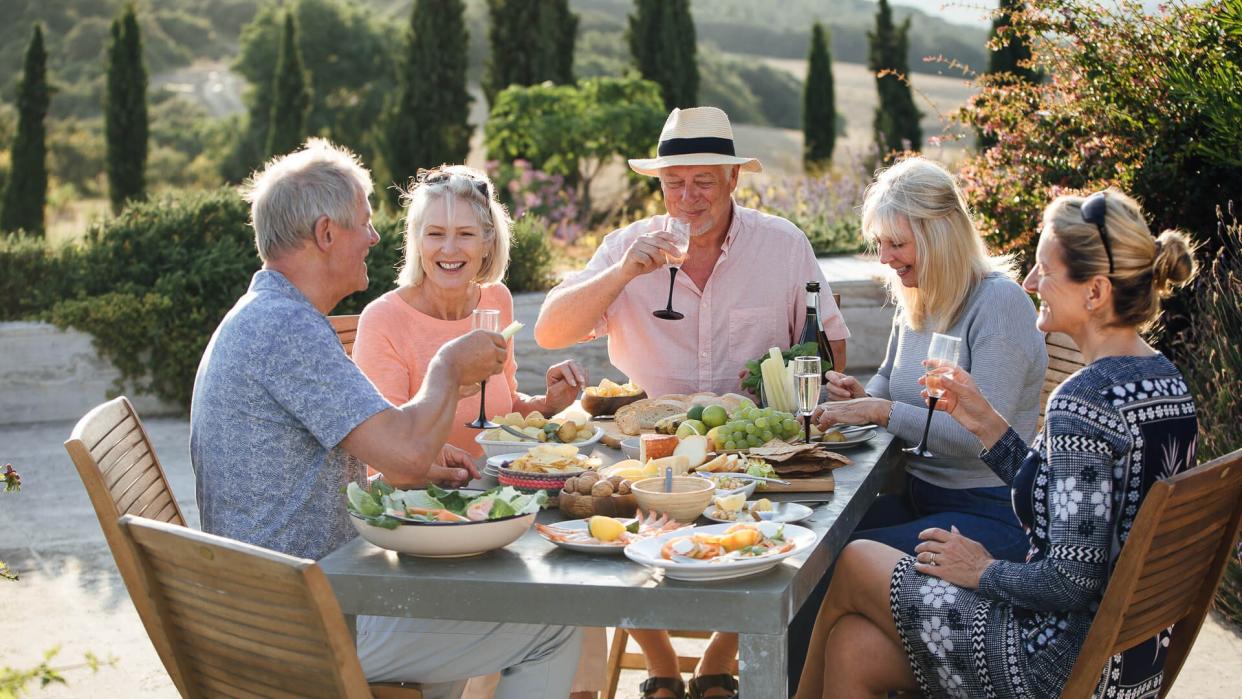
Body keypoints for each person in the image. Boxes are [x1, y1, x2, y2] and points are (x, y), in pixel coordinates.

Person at [190, 139, 582, 699]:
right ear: (327, 234)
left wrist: (423, 453)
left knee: (465, 619)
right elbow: (400, 457)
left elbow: (392, 447)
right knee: (555, 626)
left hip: (293, 599)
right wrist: (447, 366)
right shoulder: (286, 331)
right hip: (299, 623)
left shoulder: (271, 316)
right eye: (365, 223)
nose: (376, 238)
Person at [794, 188, 1199, 698]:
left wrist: (982, 570)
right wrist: (988, 426)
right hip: (1126, 662)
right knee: (853, 646)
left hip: (1051, 662)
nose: (1031, 283)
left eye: (1044, 271)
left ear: (1094, 293)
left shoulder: (1084, 401)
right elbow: (1072, 502)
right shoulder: (1166, 382)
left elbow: (1069, 581)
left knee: (854, 560)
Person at [536, 106, 849, 699]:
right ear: (658, 186)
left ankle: (720, 653)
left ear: (734, 180)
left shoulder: (782, 245)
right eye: (673, 182)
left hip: (750, 447)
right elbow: (550, 331)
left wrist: (791, 389)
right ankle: (659, 660)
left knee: (793, 528)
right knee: (599, 522)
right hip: (642, 444)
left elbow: (831, 345)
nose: (687, 197)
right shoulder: (627, 246)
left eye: (704, 180)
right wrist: (622, 275)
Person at [786, 157, 1044, 687]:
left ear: (939, 234)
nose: (885, 259)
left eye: (895, 244)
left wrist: (880, 411)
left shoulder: (999, 304)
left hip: (990, 519)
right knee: (805, 549)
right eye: (879, 244)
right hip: (925, 501)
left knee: (828, 570)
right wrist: (859, 395)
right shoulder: (920, 299)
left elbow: (978, 436)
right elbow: (886, 379)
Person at [352, 165, 584, 459]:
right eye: (435, 234)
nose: (449, 249)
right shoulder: (383, 320)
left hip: (499, 484)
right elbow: (385, 443)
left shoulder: (496, 300)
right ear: (418, 241)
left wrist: (547, 404)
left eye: (465, 234)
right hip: (424, 495)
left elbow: (505, 407)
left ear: (487, 243)